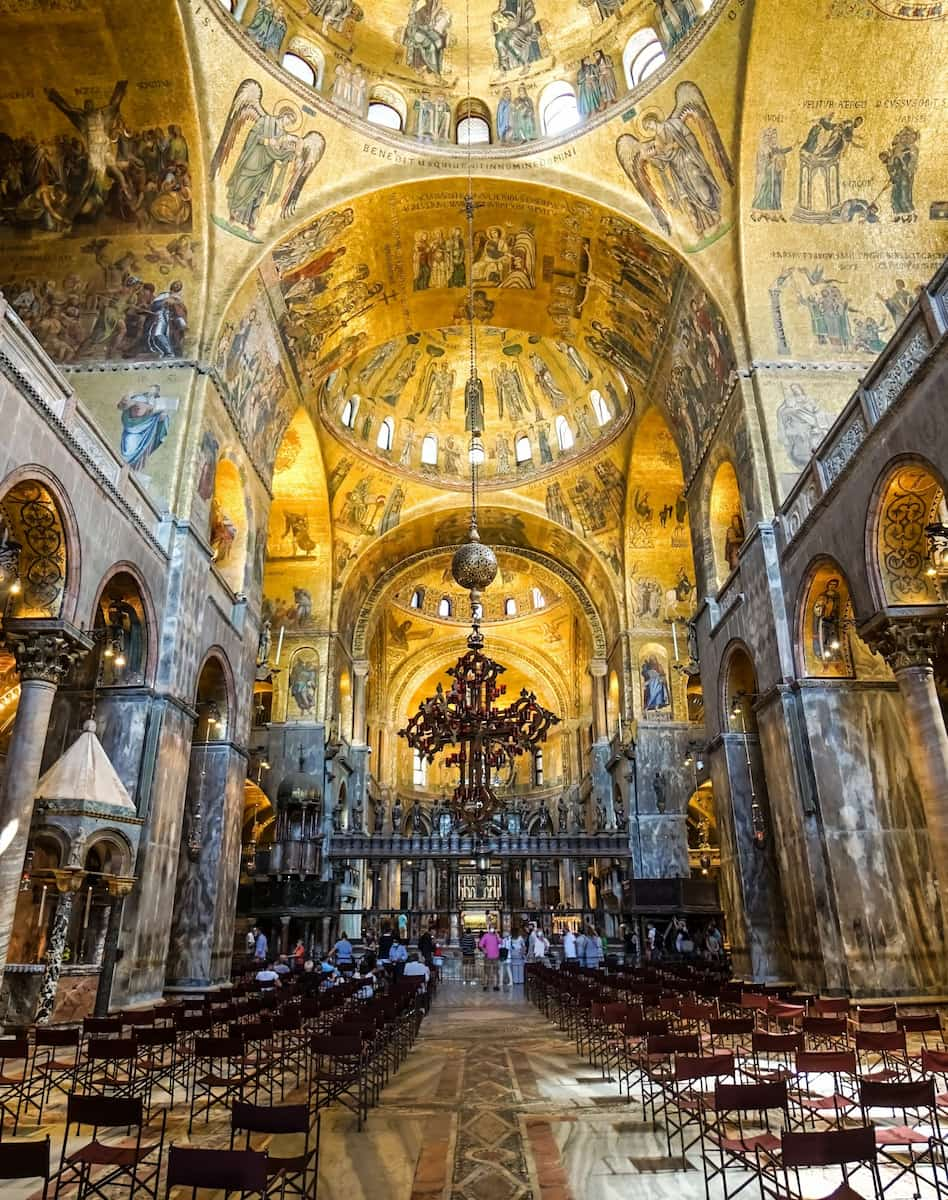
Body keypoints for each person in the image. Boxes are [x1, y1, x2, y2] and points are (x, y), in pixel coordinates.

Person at [478, 927, 501, 992]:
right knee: (486, 971)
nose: (492, 930)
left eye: (493, 928)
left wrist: (497, 935)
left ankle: (495, 986)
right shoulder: (486, 935)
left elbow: (500, 942)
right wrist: (484, 950)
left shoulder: (496, 936)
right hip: (488, 956)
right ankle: (485, 985)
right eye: (491, 928)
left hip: (496, 956)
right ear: (489, 929)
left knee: (495, 972)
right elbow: (480, 944)